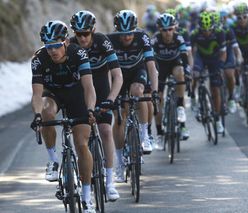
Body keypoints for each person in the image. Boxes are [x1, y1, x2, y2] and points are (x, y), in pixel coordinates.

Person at [30, 20, 96, 212]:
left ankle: (86, 198)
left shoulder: (78, 54)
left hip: (77, 95)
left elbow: (89, 87)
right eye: (48, 46)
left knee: (81, 144)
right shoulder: (39, 59)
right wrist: (37, 116)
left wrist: (90, 109)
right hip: (54, 95)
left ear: (65, 42)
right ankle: (53, 159)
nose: (52, 51)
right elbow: (36, 94)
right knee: (46, 111)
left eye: (56, 45)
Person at [70, 10, 123, 201]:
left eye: (86, 33)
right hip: (81, 92)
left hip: (101, 89)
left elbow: (117, 76)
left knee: (106, 131)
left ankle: (110, 183)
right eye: (78, 34)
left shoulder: (102, 42)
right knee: (80, 138)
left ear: (93, 30)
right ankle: (84, 175)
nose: (82, 38)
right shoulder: (71, 45)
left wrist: (111, 98)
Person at [107, 10, 158, 182]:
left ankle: (144, 136)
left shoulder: (142, 37)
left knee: (138, 93)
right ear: (117, 31)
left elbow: (151, 66)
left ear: (134, 30)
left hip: (138, 71)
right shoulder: (110, 41)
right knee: (119, 116)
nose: (127, 37)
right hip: (118, 76)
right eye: (123, 34)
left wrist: (155, 89)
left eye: (129, 33)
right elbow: (104, 70)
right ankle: (120, 163)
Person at [151, 13, 191, 148]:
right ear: (159, 30)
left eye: (170, 29)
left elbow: (185, 57)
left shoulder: (179, 38)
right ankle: (160, 133)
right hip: (160, 67)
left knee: (180, 73)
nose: (167, 33)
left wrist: (188, 72)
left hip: (174, 64)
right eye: (164, 30)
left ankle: (180, 108)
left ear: (175, 28)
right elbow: (149, 60)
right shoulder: (155, 40)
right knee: (158, 100)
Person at [190, 11, 227, 133]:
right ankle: (193, 96)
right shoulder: (194, 34)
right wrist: (191, 67)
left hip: (214, 58)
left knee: (215, 88)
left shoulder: (219, 33)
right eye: (203, 30)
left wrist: (221, 66)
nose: (206, 32)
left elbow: (223, 52)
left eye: (209, 30)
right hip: (200, 58)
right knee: (195, 74)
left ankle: (217, 119)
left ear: (213, 27)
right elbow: (189, 52)